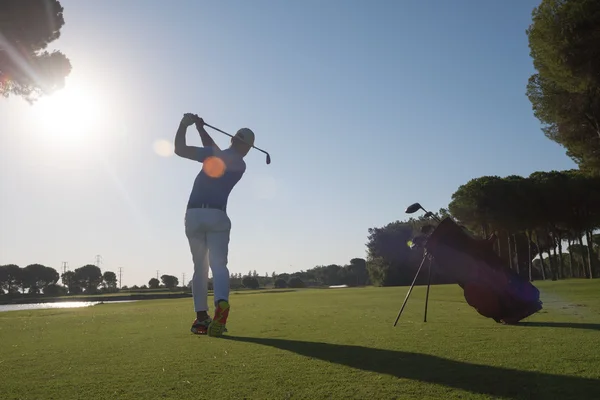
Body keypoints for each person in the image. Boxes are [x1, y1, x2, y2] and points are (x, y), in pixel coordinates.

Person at [173, 113, 254, 336]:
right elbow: (215, 152)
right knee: (219, 265)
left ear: (233, 140)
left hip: (195, 215)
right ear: (246, 149)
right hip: (218, 216)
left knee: (200, 267)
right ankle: (221, 304)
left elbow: (180, 149)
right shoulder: (240, 165)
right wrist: (201, 129)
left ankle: (201, 319)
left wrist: (184, 125)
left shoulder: (214, 155)